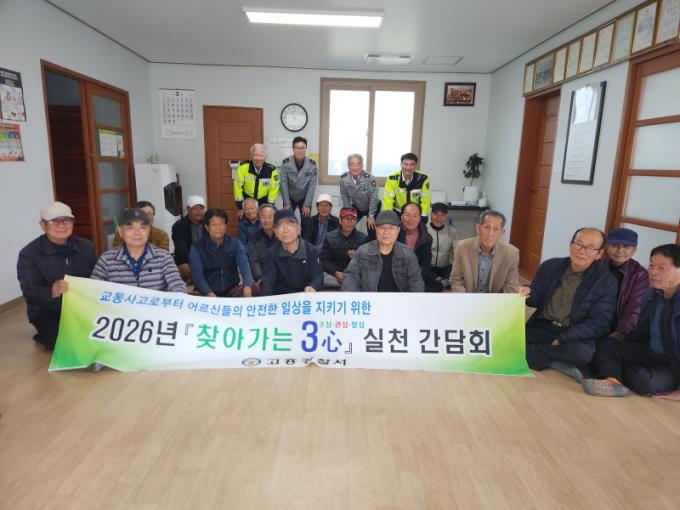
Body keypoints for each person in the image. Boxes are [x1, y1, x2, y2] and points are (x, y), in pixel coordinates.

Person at [583, 244, 680, 400]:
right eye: (652, 265)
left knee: (644, 381)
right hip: (649, 351)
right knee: (607, 344)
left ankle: (609, 372)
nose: (653, 272)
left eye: (661, 268)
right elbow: (642, 330)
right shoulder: (653, 294)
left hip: (672, 362)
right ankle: (612, 382)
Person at [519, 227, 617, 380]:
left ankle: (532, 355)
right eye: (578, 244)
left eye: (590, 247)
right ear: (570, 245)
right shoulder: (550, 266)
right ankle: (555, 362)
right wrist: (527, 292)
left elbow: (599, 322)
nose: (582, 251)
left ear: (599, 254)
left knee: (583, 354)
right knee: (505, 341)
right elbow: (536, 297)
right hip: (542, 326)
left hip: (574, 333)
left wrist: (563, 338)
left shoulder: (606, 281)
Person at [17, 201, 97, 350]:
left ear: (73, 222)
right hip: (46, 311)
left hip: (82, 307)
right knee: (63, 344)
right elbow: (29, 291)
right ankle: (43, 334)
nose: (61, 226)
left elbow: (97, 277)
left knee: (102, 337)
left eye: (66, 220)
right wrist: (51, 291)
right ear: (43, 225)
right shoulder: (29, 254)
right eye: (54, 221)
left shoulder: (87, 247)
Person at [92, 208, 186, 292]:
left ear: (149, 231)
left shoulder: (163, 257)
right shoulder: (107, 259)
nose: (137, 232)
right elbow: (93, 289)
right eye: (130, 227)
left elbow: (177, 286)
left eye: (143, 227)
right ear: (120, 232)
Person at [342, 210, 424, 292]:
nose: (386, 232)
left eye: (391, 228)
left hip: (400, 299)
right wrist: (356, 298)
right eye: (382, 227)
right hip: (371, 298)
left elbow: (416, 282)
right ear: (376, 229)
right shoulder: (363, 251)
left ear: (398, 230)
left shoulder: (408, 254)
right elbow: (350, 277)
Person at [189, 209, 254, 297]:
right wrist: (209, 293)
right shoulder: (197, 247)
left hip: (232, 290)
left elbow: (244, 266)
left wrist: (247, 286)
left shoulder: (235, 244)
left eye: (221, 224)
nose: (218, 228)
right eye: (214, 224)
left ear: (226, 226)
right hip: (207, 292)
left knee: (254, 288)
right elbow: (197, 276)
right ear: (207, 227)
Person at [598, 227, 649, 340]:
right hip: (592, 322)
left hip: (618, 328)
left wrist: (620, 332)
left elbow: (635, 307)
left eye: (626, 246)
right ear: (607, 246)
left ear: (634, 250)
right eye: (615, 245)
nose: (620, 250)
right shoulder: (596, 265)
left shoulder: (640, 274)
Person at [451, 210, 519, 294]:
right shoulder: (462, 247)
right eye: (487, 227)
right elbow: (456, 280)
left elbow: (511, 286)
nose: (490, 234)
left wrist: (499, 302)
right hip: (468, 299)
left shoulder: (512, 253)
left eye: (496, 229)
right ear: (478, 228)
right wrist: (465, 299)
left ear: (502, 232)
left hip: (495, 300)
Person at [260, 209, 323, 295]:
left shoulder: (311, 250)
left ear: (298, 228)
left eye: (290, 224)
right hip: (281, 297)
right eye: (280, 225)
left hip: (304, 296)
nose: (285, 230)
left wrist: (313, 286)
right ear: (275, 231)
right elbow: (268, 282)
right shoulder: (271, 252)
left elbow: (318, 277)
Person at [397, 203, 441, 292]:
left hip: (416, 275)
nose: (411, 219)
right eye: (407, 215)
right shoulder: (393, 233)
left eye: (415, 216)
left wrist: (416, 282)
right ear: (401, 217)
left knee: (437, 286)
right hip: (397, 274)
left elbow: (425, 265)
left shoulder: (426, 238)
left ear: (419, 218)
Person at [320, 207, 369, 288]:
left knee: (365, 280)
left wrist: (356, 258)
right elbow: (323, 260)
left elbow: (368, 263)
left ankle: (348, 284)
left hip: (354, 275)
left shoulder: (363, 238)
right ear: (340, 220)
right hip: (333, 275)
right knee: (322, 279)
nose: (349, 222)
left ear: (356, 221)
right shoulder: (329, 237)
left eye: (352, 219)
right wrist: (335, 273)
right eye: (346, 218)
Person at [339, 154, 380, 236]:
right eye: (352, 164)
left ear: (362, 165)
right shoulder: (344, 178)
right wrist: (348, 211)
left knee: (371, 228)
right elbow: (344, 195)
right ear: (348, 166)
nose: (355, 167)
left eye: (358, 164)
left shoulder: (370, 178)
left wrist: (371, 216)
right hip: (357, 206)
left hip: (372, 205)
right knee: (345, 225)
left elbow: (374, 198)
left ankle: (372, 244)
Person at [382, 152, 431, 220]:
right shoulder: (392, 178)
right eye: (405, 164)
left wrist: (423, 215)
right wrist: (389, 216)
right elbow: (388, 199)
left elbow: (425, 199)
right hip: (398, 212)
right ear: (401, 164)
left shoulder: (422, 179)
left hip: (415, 213)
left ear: (415, 166)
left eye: (412, 164)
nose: (408, 168)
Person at [279, 136, 318, 218]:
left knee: (306, 222)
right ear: (293, 149)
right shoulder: (286, 163)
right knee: (287, 220)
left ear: (306, 149)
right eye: (297, 147)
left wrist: (307, 204)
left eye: (302, 148)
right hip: (290, 197)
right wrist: (286, 202)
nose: (299, 150)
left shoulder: (312, 164)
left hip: (304, 197)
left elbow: (312, 186)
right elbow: (283, 184)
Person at [234, 143, 279, 211]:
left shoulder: (272, 170)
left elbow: (274, 189)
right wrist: (240, 206)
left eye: (261, 155)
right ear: (251, 156)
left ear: (265, 157)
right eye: (255, 155)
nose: (258, 158)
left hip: (264, 201)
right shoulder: (243, 167)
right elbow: (237, 187)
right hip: (247, 200)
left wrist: (270, 205)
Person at [172, 195, 206, 280]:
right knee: (186, 269)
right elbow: (182, 251)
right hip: (187, 262)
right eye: (195, 208)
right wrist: (197, 262)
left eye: (201, 208)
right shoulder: (179, 226)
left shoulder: (207, 224)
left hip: (205, 260)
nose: (199, 212)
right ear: (188, 209)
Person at [426, 202, 457, 289]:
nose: (439, 218)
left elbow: (457, 251)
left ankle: (443, 281)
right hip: (428, 268)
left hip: (445, 267)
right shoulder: (424, 229)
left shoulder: (452, 232)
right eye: (436, 214)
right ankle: (440, 281)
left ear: (446, 216)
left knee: (454, 281)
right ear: (431, 214)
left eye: (442, 215)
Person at [248, 204, 279, 284]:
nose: (266, 220)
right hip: (262, 278)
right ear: (259, 218)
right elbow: (254, 262)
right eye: (263, 217)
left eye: (270, 217)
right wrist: (261, 277)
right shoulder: (253, 239)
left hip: (281, 278)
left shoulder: (282, 236)